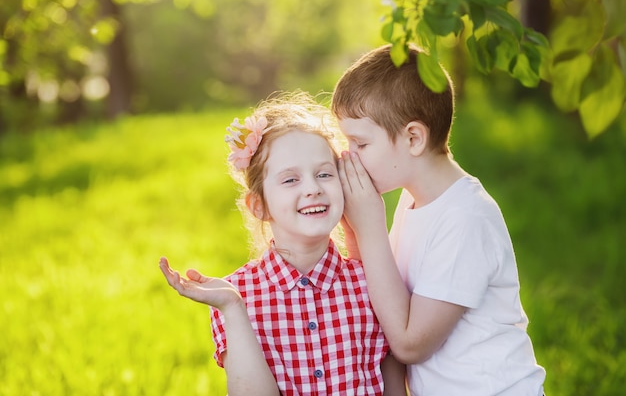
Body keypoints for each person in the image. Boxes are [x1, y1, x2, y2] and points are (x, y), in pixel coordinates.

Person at [331, 44, 547, 396]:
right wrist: (356, 234)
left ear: (413, 138)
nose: (349, 157)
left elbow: (410, 343)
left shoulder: (465, 218)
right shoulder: (412, 199)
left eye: (360, 143)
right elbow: (387, 298)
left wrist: (371, 228)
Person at [159, 91, 407, 396]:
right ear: (259, 205)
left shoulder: (371, 283)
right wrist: (234, 309)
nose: (313, 188)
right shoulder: (237, 296)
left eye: (324, 174)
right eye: (291, 180)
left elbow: (396, 386)